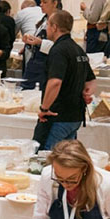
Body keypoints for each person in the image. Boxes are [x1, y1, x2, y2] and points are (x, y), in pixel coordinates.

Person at [37, 10, 96, 150]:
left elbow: (55, 82)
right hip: (75, 116)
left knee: (46, 158)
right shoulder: (78, 49)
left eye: (48, 25)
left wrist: (44, 108)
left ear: (55, 27)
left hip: (58, 115)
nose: (46, 28)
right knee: (66, 158)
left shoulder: (58, 50)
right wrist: (87, 93)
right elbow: (91, 81)